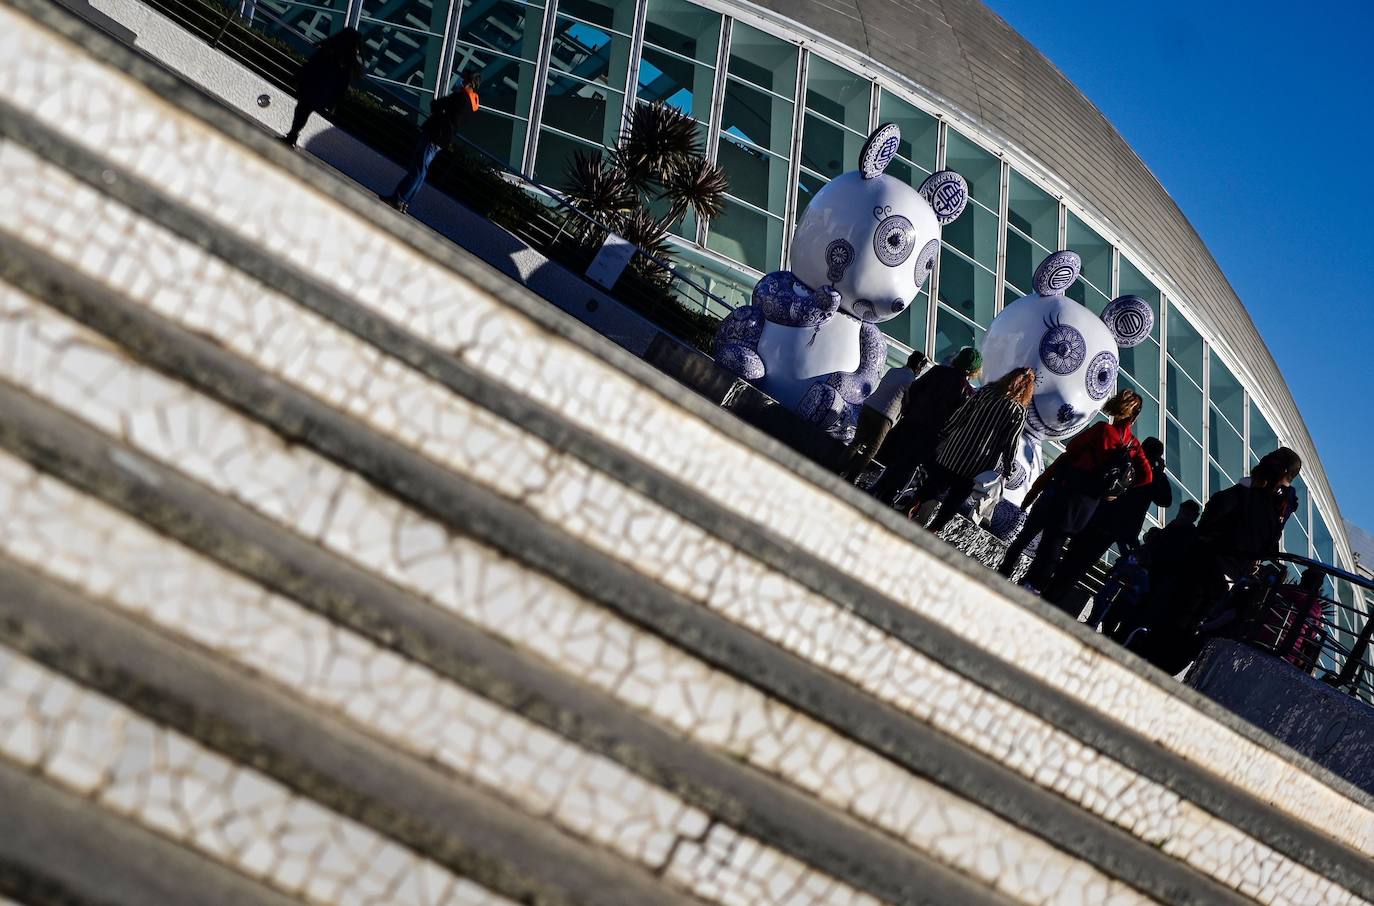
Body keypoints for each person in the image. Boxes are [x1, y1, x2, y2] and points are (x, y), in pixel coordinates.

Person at [1145, 449, 1302, 674]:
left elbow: (1214, 514)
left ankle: (1150, 658)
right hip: (1231, 576)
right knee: (1192, 627)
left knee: (1174, 616)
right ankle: (1163, 666)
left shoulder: (1244, 496)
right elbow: (1267, 548)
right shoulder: (1275, 512)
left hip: (1206, 562)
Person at [997, 389, 1153, 602]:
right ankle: (1032, 585)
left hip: (1065, 489)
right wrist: (1117, 490)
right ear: (1135, 417)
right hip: (1087, 503)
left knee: (1030, 532)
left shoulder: (1102, 430)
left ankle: (1007, 571)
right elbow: (1147, 477)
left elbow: (1072, 449)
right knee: (1055, 543)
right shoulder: (1133, 445)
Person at [1041, 436, 1173, 606]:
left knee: (1071, 557)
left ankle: (1048, 589)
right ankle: (1053, 597)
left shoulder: (1127, 458)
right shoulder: (1151, 476)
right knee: (1080, 565)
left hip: (1096, 516)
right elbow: (1165, 500)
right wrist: (1159, 473)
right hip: (1112, 528)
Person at [910, 367, 1034, 534]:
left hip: (955, 450)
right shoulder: (1018, 411)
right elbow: (1010, 444)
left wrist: (946, 431)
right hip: (978, 464)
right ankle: (935, 528)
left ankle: (915, 503)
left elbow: (962, 413)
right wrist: (1007, 468)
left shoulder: (987, 391)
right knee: (955, 499)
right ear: (1027, 389)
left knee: (935, 484)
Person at [869, 346, 981, 505]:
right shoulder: (968, 392)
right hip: (932, 433)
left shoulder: (937, 371)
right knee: (909, 464)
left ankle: (879, 488)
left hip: (912, 420)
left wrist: (908, 410)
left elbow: (913, 389)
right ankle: (887, 494)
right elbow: (958, 418)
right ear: (973, 370)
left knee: (899, 459)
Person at [384, 72, 482, 214]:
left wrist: (441, 106)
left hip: (434, 134)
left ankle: (399, 199)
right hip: (442, 139)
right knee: (421, 171)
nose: (460, 81)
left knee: (418, 169)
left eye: (464, 79)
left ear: (469, 83)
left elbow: (436, 105)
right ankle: (404, 202)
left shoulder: (460, 97)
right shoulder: (471, 105)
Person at [839, 350, 929, 482]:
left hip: (869, 407)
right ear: (919, 366)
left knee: (856, 442)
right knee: (871, 450)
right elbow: (906, 404)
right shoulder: (910, 381)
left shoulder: (892, 371)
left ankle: (836, 468)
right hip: (884, 416)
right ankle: (851, 478)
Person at [282, 27, 365, 148]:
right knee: (303, 111)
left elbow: (310, 65)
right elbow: (342, 85)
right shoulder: (346, 62)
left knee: (302, 110)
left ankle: (292, 135)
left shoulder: (329, 50)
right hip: (322, 93)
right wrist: (333, 103)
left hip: (312, 87)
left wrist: (298, 78)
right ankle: (292, 135)